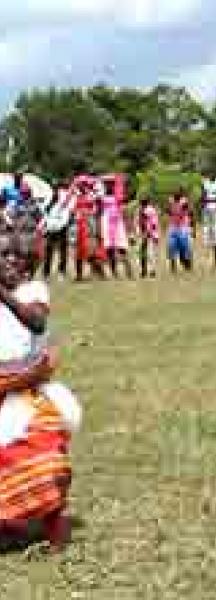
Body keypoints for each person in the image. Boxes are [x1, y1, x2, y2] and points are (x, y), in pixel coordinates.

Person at [0, 222, 81, 551]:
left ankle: (55, 531)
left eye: (18, 256)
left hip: (27, 391)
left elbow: (36, 321)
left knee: (44, 457)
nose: (11, 261)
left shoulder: (33, 291)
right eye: (3, 255)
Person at [40, 183, 73, 281]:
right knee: (49, 250)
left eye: (57, 189)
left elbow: (67, 211)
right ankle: (46, 273)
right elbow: (45, 212)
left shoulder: (65, 197)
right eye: (54, 189)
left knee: (63, 250)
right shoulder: (48, 199)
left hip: (62, 227)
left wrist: (63, 223)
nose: (56, 191)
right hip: (51, 227)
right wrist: (45, 225)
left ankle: (61, 272)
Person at [100, 183, 133, 279]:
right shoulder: (109, 199)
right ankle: (123, 272)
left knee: (117, 250)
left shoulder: (111, 199)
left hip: (114, 225)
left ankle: (123, 272)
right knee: (116, 250)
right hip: (112, 225)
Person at [167, 188, 194, 273]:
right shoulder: (171, 201)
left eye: (178, 194)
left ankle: (187, 263)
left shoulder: (184, 202)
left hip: (183, 226)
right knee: (171, 246)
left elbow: (190, 213)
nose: (176, 196)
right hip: (174, 226)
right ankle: (173, 265)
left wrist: (193, 228)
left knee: (184, 246)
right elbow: (168, 211)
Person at [137, 198, 161, 278]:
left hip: (150, 235)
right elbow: (138, 223)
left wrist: (150, 234)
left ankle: (151, 271)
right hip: (143, 234)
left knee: (149, 253)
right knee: (142, 253)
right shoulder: (139, 211)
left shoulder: (150, 210)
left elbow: (154, 224)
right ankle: (144, 271)